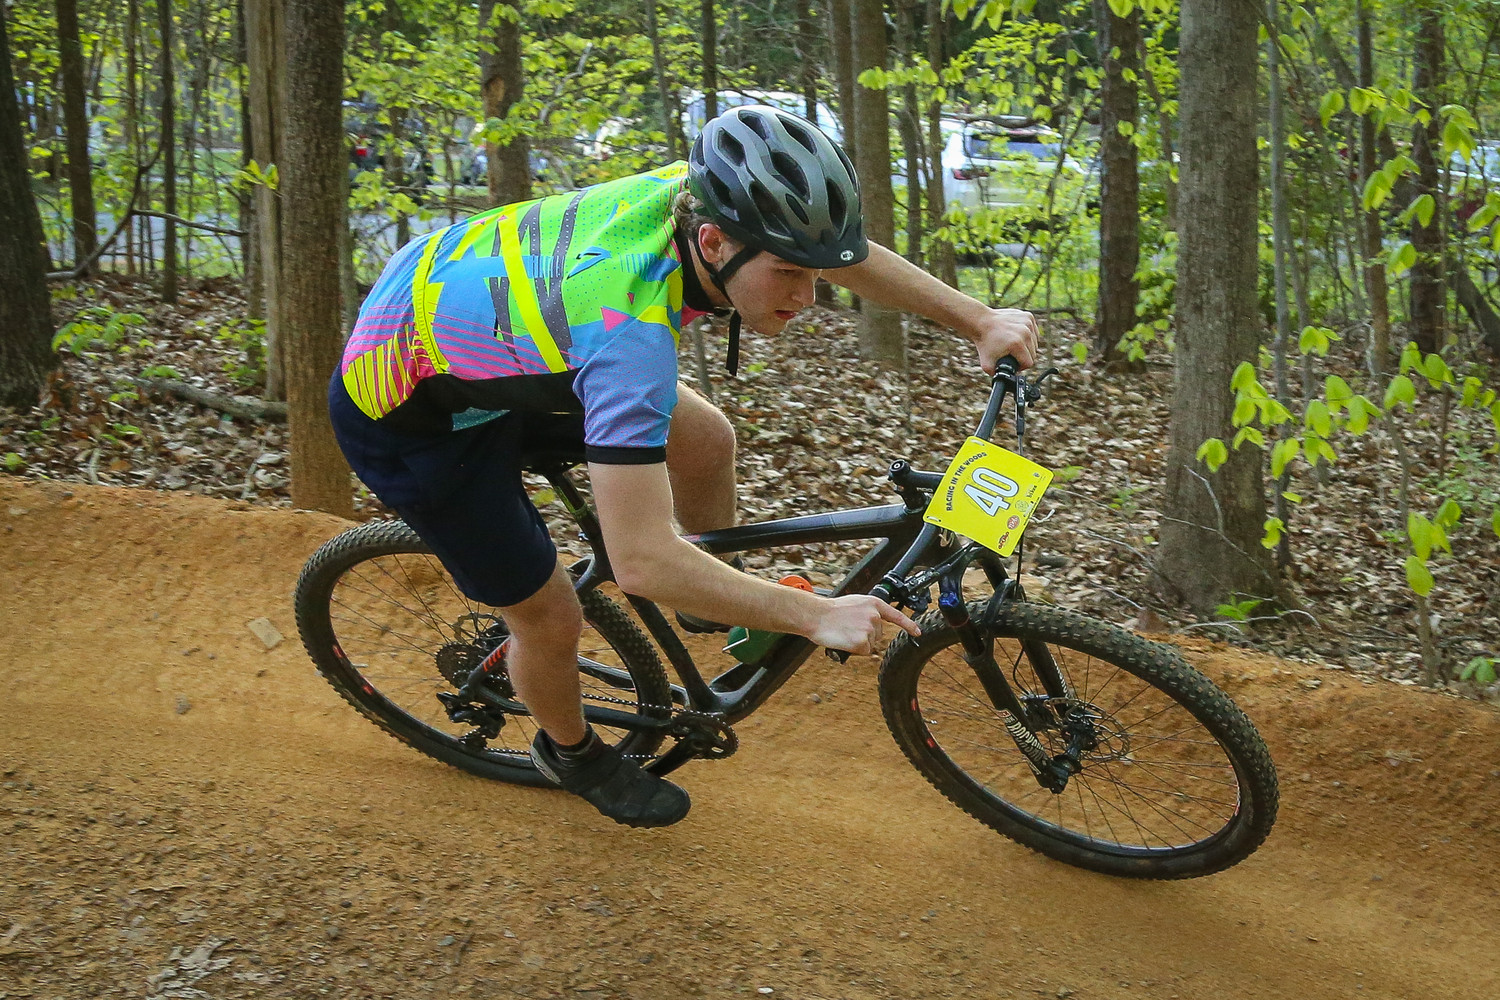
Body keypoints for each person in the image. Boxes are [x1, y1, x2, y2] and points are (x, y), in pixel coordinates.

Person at [328, 105, 1039, 829]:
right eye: (788, 273)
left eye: (811, 271)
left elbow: (840, 253)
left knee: (705, 441)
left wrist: (977, 319)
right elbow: (639, 564)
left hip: (493, 345)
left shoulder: (704, 197)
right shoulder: (630, 337)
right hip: (412, 417)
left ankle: (710, 600)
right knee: (548, 616)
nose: (808, 296)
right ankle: (571, 752)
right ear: (712, 243)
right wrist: (813, 614)